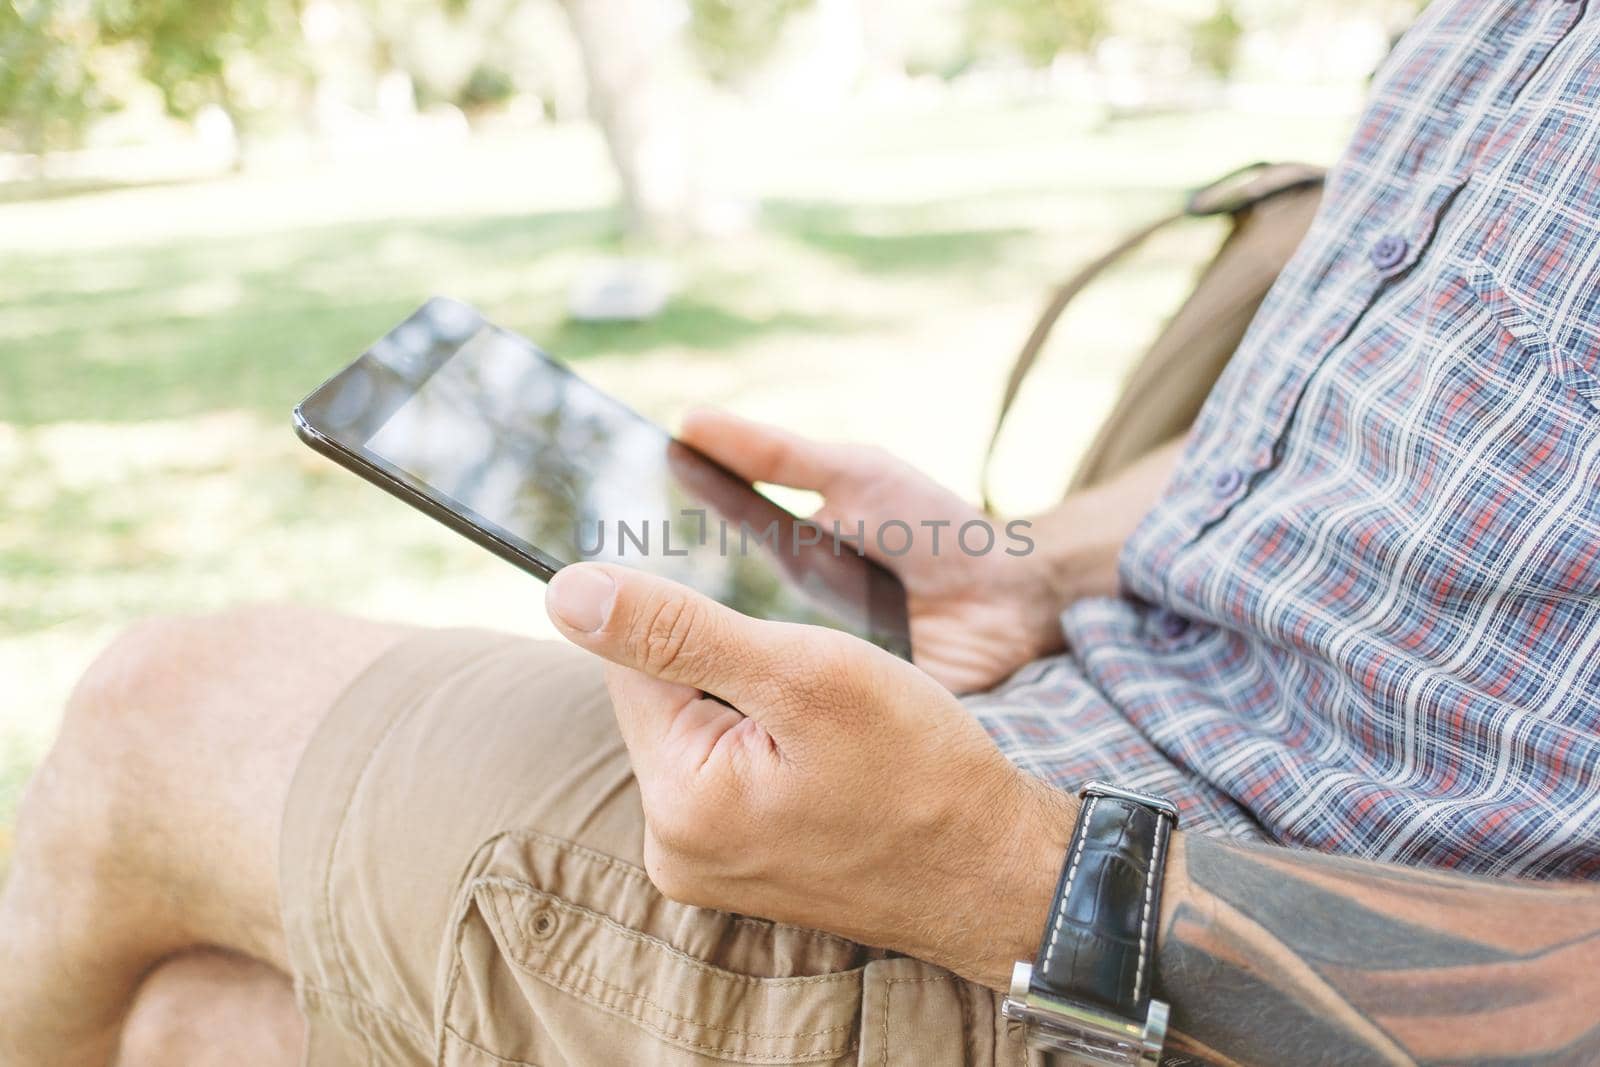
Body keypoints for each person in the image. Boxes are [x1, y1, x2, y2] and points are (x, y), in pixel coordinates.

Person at [5, 0, 1600, 1062]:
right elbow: (1384, 439)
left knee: (160, 719)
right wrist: (1026, 564)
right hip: (1049, 741)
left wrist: (1014, 875)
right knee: (193, 1024)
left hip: (1167, 965)